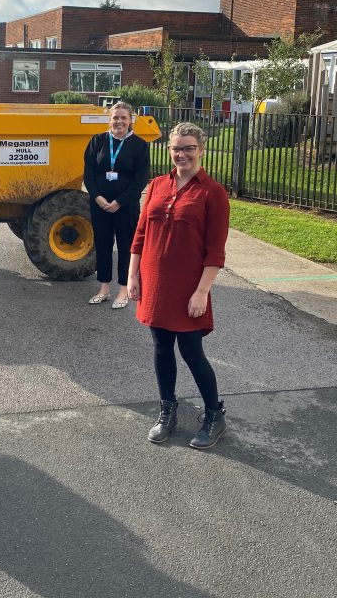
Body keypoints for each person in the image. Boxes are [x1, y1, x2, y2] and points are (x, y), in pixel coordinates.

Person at [127, 122, 230, 450]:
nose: (181, 153)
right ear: (168, 150)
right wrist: (132, 276)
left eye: (188, 147)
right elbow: (140, 235)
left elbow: (216, 250)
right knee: (161, 347)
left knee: (190, 351)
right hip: (155, 283)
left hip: (189, 287)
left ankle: (215, 414)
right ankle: (167, 410)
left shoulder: (212, 192)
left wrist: (202, 291)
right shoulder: (157, 185)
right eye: (176, 148)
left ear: (201, 149)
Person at [82, 101, 150, 308]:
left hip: (126, 206)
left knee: (125, 246)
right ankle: (104, 288)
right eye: (115, 117)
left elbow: (141, 179)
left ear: (131, 120)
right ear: (109, 119)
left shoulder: (139, 145)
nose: (119, 121)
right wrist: (98, 198)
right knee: (102, 245)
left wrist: (119, 202)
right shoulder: (97, 141)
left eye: (123, 118)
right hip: (100, 205)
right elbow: (89, 173)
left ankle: (123, 289)